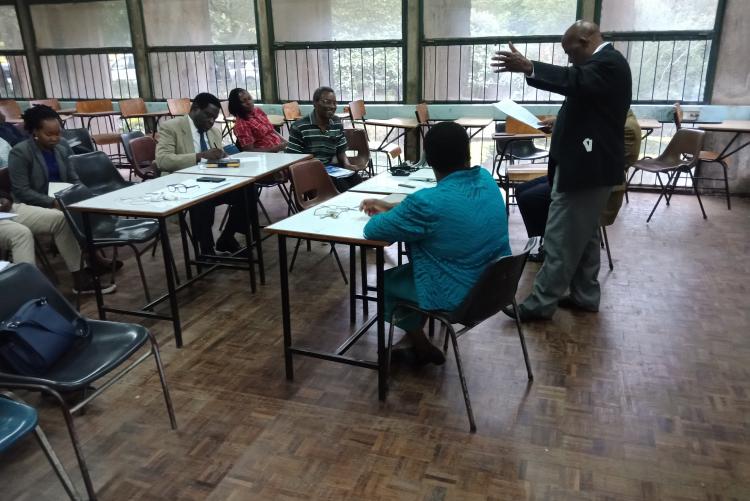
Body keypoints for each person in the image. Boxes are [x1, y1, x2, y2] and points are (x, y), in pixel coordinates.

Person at [491, 20, 631, 320]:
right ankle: (585, 295)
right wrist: (561, 122)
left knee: (559, 239)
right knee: (587, 237)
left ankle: (539, 305)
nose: (569, 59)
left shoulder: (607, 64)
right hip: (590, 168)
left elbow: (574, 80)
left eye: (570, 51)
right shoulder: (603, 66)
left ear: (586, 40)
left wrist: (530, 68)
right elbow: (590, 106)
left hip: (586, 170)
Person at [360, 122, 511, 365]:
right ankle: (414, 342)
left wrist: (390, 212)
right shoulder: (485, 179)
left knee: (387, 283)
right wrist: (393, 205)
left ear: (428, 160)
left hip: (461, 295)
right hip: (496, 285)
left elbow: (373, 229)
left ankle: (420, 343)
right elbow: (449, 209)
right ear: (468, 154)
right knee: (415, 271)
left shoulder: (427, 203)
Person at [4, 105, 114, 294]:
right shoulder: (20, 152)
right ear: (35, 132)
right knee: (65, 217)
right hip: (30, 203)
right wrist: (52, 202)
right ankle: (84, 270)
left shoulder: (62, 146)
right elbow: (21, 191)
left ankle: (91, 256)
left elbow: (73, 177)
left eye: (57, 133)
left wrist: (79, 193)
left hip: (61, 196)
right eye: (49, 134)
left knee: (84, 207)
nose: (55, 138)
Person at [516, 110, 642, 262]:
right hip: (580, 176)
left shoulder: (626, 128)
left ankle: (552, 248)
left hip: (594, 187)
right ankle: (548, 240)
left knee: (531, 198)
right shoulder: (611, 117)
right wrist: (560, 123)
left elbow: (600, 161)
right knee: (521, 190)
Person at [155, 92, 248, 254]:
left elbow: (218, 159)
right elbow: (163, 160)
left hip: (213, 181)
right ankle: (206, 251)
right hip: (184, 185)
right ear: (195, 108)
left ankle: (227, 237)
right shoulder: (171, 127)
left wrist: (226, 160)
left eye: (214, 118)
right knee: (201, 201)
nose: (211, 121)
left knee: (248, 191)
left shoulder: (214, 132)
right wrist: (199, 157)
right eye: (208, 116)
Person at [285, 86, 361, 191]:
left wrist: (347, 164)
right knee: (342, 187)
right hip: (309, 171)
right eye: (326, 101)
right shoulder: (300, 126)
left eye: (334, 103)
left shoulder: (336, 122)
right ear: (315, 103)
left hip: (330, 168)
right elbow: (293, 159)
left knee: (358, 182)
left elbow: (341, 150)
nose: (332, 106)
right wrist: (317, 169)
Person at [227, 88, 287, 152]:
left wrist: (285, 141)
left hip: (279, 150)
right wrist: (274, 149)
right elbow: (249, 151)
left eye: (249, 98)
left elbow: (271, 130)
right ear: (237, 105)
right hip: (265, 157)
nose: (249, 102)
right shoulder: (242, 125)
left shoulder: (258, 111)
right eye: (244, 101)